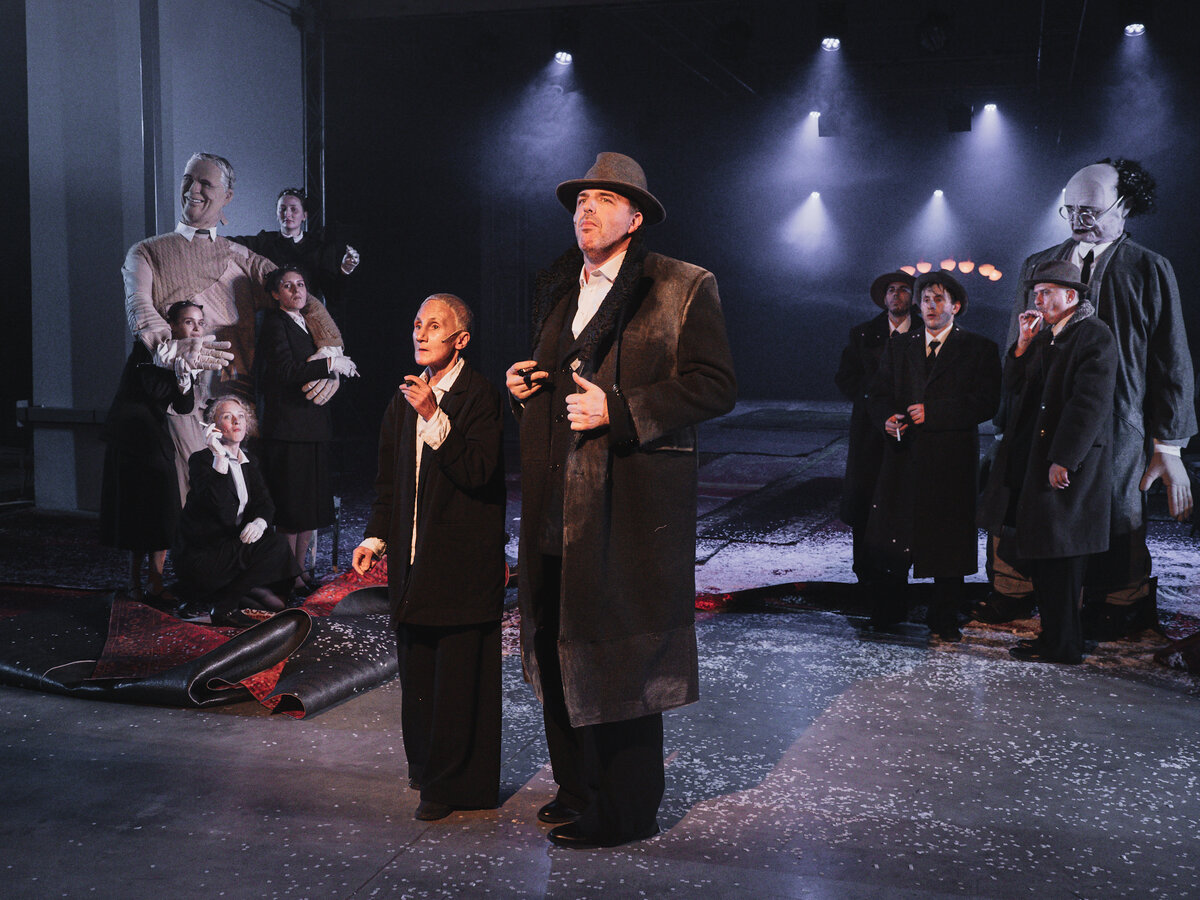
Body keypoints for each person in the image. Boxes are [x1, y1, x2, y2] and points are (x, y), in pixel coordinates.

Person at [505, 152, 737, 849]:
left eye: (606, 200)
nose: (587, 209)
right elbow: (562, 380)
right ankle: (578, 788)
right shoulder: (557, 286)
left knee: (621, 654)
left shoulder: (681, 285)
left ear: (635, 218)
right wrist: (527, 386)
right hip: (555, 501)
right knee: (556, 644)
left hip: (628, 506)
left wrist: (622, 410)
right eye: (582, 200)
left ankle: (626, 811)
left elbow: (714, 385)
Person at [982, 159, 1196, 638]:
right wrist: (1006, 422)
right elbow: (1017, 342)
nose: (1080, 220)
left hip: (1119, 421)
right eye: (1072, 210)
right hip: (1040, 416)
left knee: (1115, 509)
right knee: (1027, 502)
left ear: (1126, 206)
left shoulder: (1148, 269)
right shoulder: (1037, 265)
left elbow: (1171, 359)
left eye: (1091, 210)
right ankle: (1015, 590)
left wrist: (1169, 446)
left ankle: (1118, 600)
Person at [353, 294, 506, 822]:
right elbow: (389, 483)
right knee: (418, 674)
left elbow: (479, 471)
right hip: (414, 566)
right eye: (417, 324)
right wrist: (376, 539)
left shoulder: (478, 395)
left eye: (434, 326)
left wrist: (434, 415)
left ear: (460, 340)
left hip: (461, 566)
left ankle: (455, 783)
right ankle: (426, 770)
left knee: (458, 679)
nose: (421, 334)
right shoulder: (404, 399)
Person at [979, 260, 1117, 664]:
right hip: (1034, 462)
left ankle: (1064, 646)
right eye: (1036, 294)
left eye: (1046, 293)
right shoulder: (1048, 336)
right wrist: (1022, 344)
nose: (1038, 300)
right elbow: (1015, 386)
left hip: (1064, 466)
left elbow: (1088, 404)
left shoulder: (1093, 334)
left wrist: (1064, 459)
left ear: (1071, 296)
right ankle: (1052, 638)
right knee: (1044, 557)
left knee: (1062, 558)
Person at [122, 152, 344, 402]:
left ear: (227, 196)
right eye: (188, 179)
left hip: (236, 403)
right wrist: (168, 350)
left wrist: (329, 357)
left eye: (205, 183)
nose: (193, 189)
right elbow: (140, 308)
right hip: (172, 399)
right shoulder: (145, 252)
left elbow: (303, 301)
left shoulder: (244, 259)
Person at [866, 270, 1001, 640]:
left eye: (938, 299)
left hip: (950, 461)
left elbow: (987, 402)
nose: (930, 306)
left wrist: (935, 412)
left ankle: (944, 616)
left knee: (948, 539)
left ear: (955, 306)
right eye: (925, 299)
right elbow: (877, 394)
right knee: (894, 536)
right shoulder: (900, 346)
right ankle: (888, 611)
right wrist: (886, 418)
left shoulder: (978, 348)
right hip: (903, 457)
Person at [256, 266, 360, 591]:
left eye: (300, 284)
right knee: (290, 508)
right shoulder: (274, 323)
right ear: (276, 294)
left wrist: (333, 366)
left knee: (308, 508)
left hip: (312, 426)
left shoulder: (308, 321)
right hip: (287, 428)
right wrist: (329, 364)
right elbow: (286, 371)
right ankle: (285, 574)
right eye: (287, 286)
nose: (296, 290)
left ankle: (300, 571)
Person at [99, 300, 201, 605]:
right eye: (189, 322)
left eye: (200, 323)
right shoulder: (147, 347)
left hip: (155, 435)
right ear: (172, 325)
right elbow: (154, 391)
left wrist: (184, 380)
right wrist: (174, 370)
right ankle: (134, 582)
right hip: (131, 437)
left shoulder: (186, 354)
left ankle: (155, 582)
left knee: (164, 510)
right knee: (135, 512)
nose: (196, 328)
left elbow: (183, 406)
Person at [173, 396, 299, 627]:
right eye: (227, 417)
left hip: (230, 548)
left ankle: (228, 594)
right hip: (203, 555)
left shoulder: (249, 461)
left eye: (240, 416)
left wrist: (259, 522)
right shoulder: (201, 461)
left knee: (276, 603)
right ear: (214, 426)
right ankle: (223, 608)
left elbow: (265, 503)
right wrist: (219, 457)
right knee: (277, 545)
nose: (236, 421)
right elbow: (218, 506)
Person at [834, 271, 917, 623]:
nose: (896, 295)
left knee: (900, 504)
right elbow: (846, 377)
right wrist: (874, 405)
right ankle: (866, 579)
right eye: (891, 290)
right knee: (865, 503)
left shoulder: (925, 330)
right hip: (870, 433)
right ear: (883, 298)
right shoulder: (864, 334)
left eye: (903, 290)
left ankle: (896, 583)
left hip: (910, 431)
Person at [230, 188, 360, 306]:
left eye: (293, 209)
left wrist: (345, 270)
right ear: (276, 214)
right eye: (282, 209)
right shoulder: (265, 241)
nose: (287, 214)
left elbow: (335, 297)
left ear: (304, 216)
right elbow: (232, 243)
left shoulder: (319, 248)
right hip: (272, 316)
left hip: (305, 317)